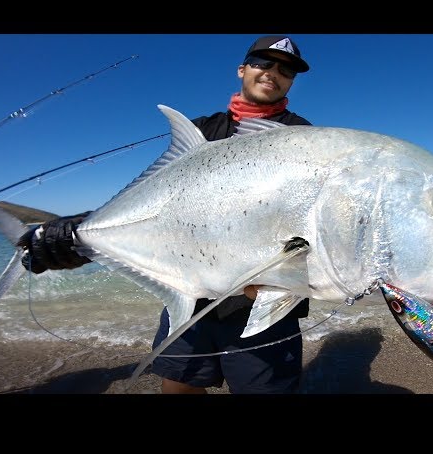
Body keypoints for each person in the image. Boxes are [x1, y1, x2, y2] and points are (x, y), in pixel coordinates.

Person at [18, 35, 312, 394]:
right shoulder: (202, 130)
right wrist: (79, 233)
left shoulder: (302, 137)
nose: (273, 72)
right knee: (178, 386)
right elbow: (155, 200)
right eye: (263, 62)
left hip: (263, 298)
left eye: (286, 69)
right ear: (242, 69)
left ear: (292, 80)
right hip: (188, 289)